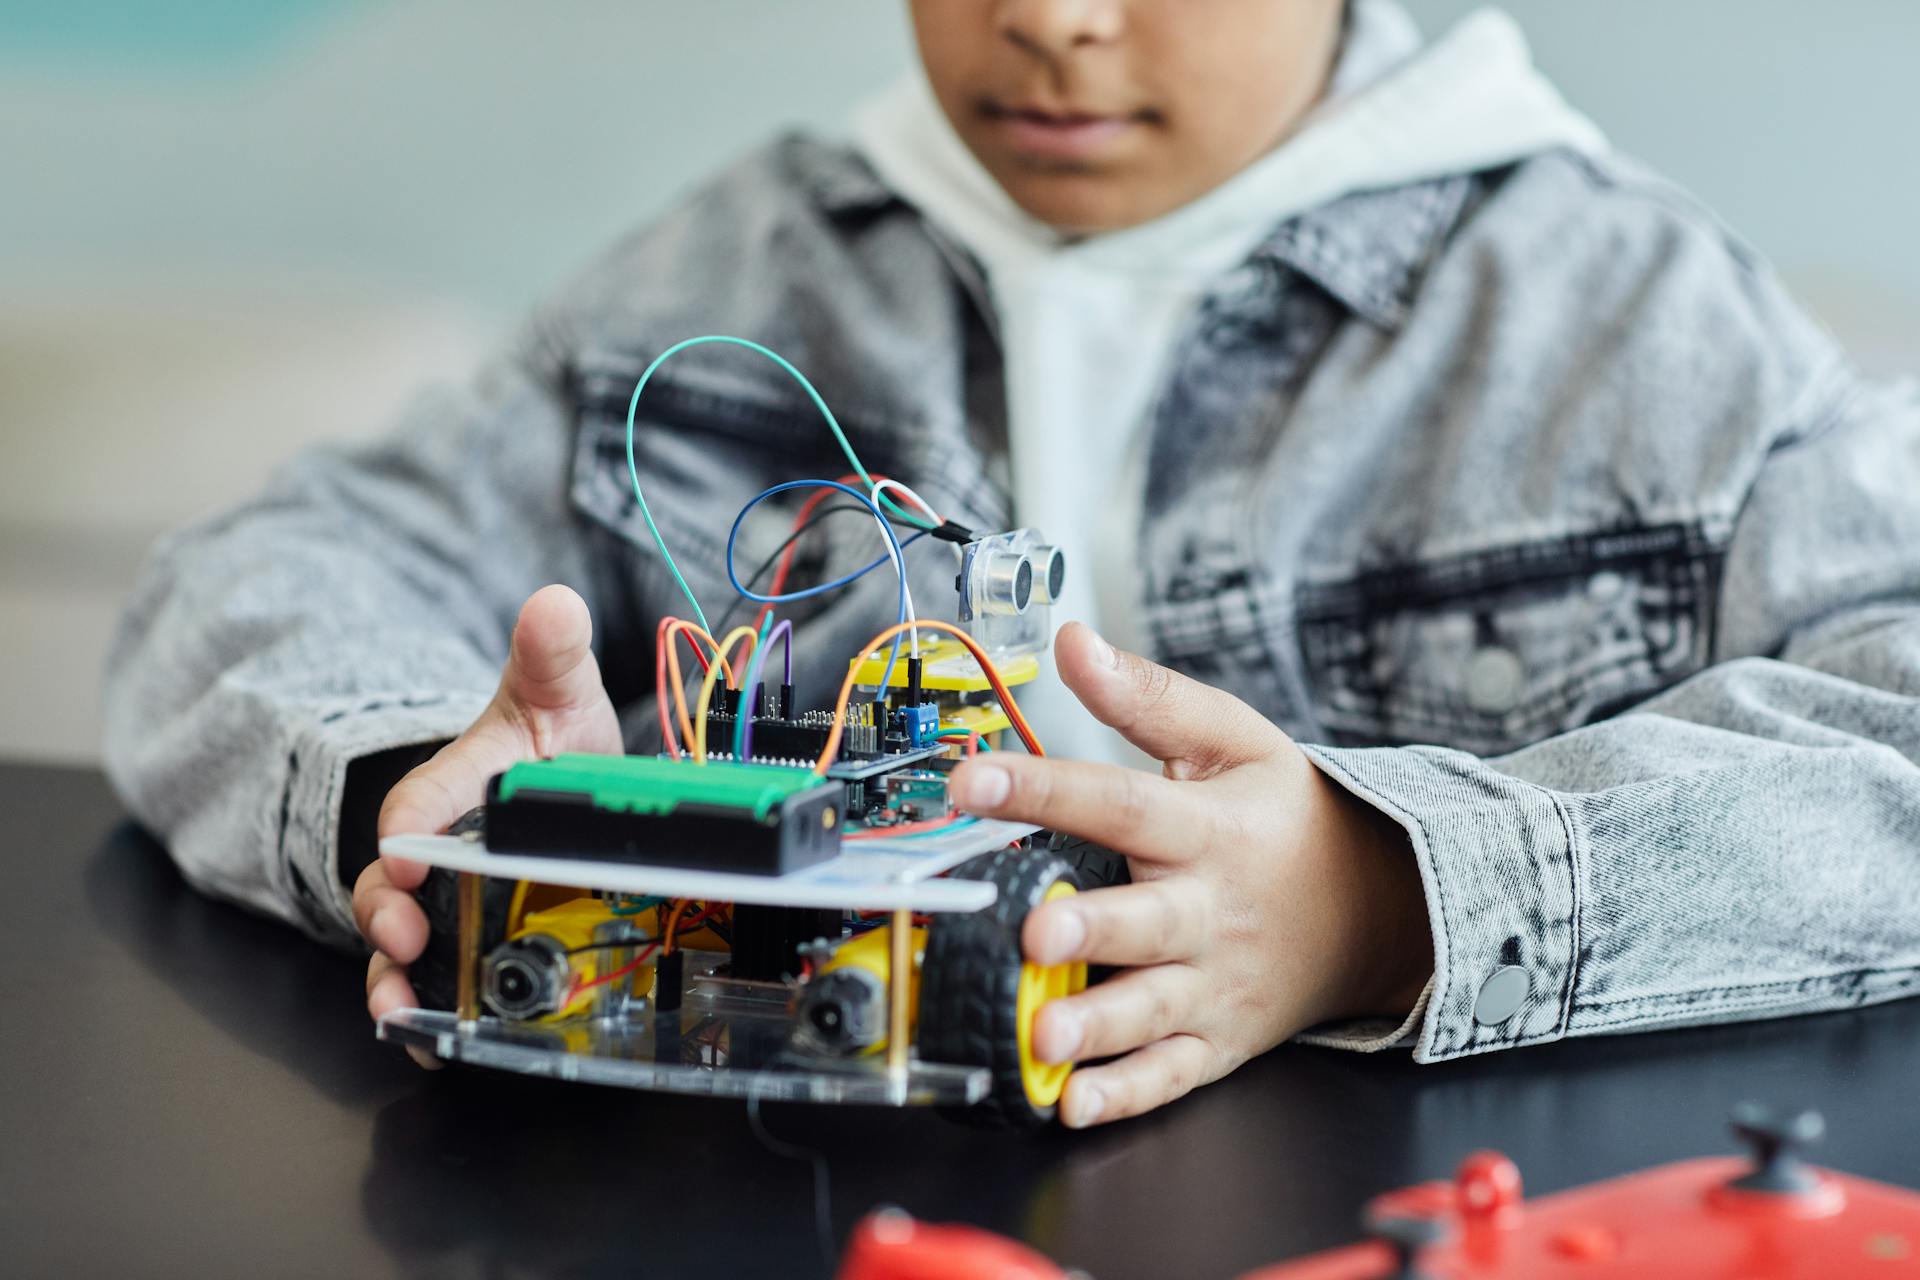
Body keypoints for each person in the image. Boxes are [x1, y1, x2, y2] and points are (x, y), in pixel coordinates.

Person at [104, 0, 1920, 1129]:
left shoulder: (1624, 322)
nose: (1050, 19)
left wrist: (1382, 894)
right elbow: (250, 573)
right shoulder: (741, 275)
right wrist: (411, 790)